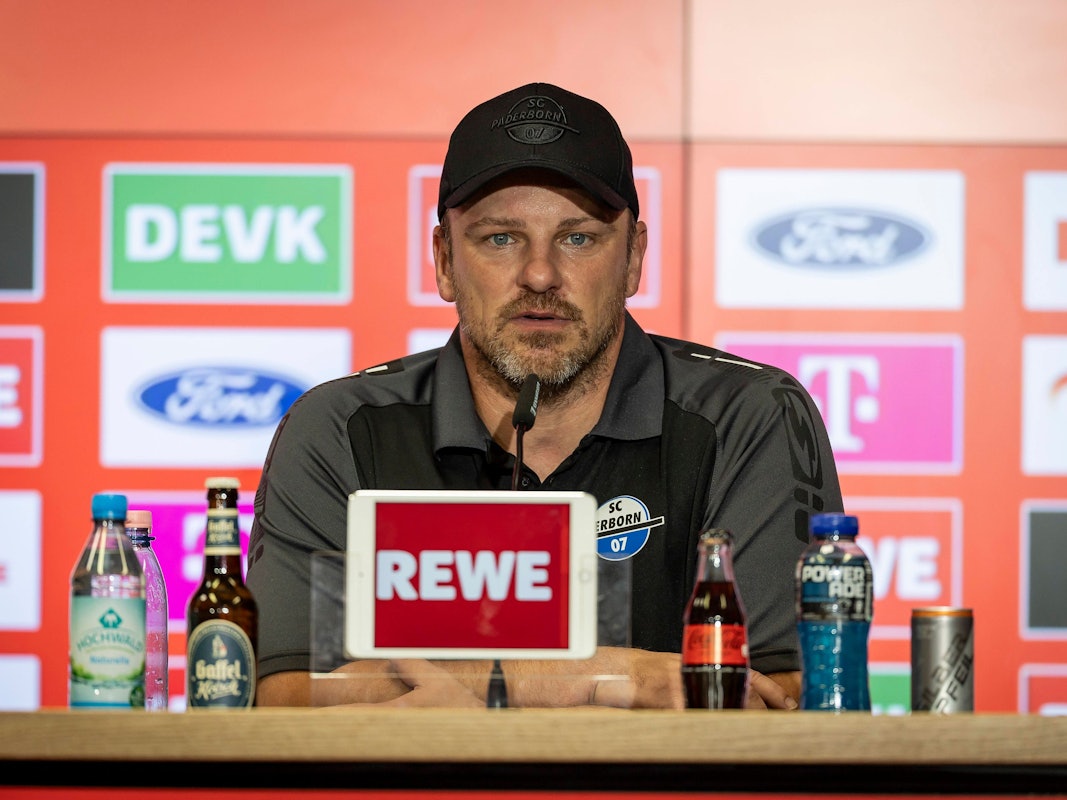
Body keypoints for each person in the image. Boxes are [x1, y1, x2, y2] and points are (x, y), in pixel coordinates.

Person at [246, 82, 843, 710]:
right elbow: (284, 694)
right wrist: (597, 677)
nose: (539, 275)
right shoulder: (341, 427)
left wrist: (454, 688)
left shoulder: (745, 416)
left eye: (577, 237)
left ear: (635, 257)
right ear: (445, 261)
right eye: (500, 238)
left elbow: (782, 697)